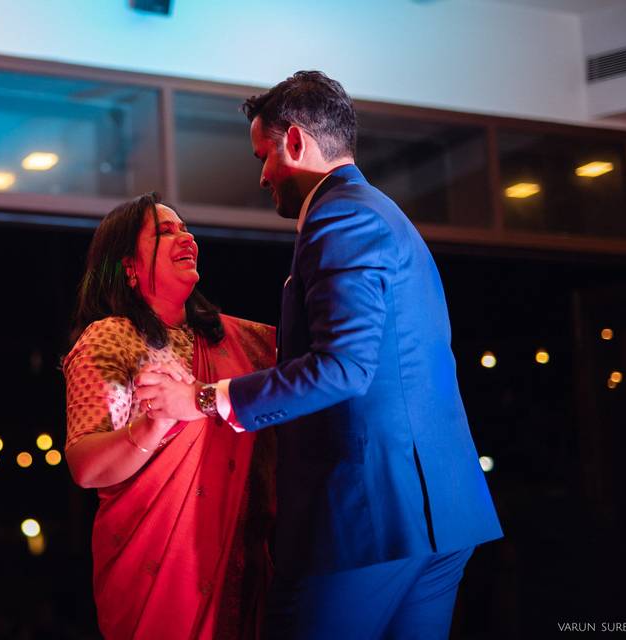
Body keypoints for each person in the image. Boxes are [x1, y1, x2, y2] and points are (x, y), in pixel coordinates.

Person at [134, 71, 503, 639]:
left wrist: (203, 397)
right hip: (442, 516)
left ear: (297, 142)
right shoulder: (385, 214)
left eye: (264, 155)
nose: (263, 175)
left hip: (367, 519)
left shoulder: (340, 217)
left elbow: (342, 367)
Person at [62, 192, 277, 639]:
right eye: (165, 231)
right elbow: (86, 465)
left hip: (246, 555)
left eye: (184, 227)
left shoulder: (242, 341)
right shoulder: (112, 338)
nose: (186, 237)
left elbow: (310, 376)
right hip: (157, 569)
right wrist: (153, 425)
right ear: (128, 266)